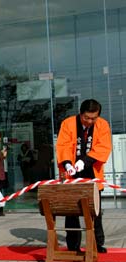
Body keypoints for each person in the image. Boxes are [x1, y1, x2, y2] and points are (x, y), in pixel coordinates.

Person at [56, 99, 112, 253]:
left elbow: (103, 146)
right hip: (72, 173)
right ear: (80, 114)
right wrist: (67, 163)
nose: (89, 121)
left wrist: (85, 161)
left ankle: (97, 243)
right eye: (86, 117)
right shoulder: (68, 123)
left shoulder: (103, 125)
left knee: (96, 211)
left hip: (92, 171)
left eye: (93, 118)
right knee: (72, 211)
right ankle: (73, 245)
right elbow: (63, 145)